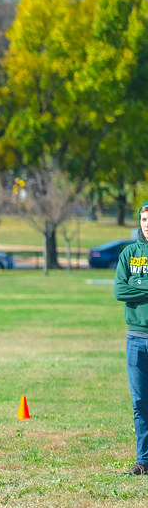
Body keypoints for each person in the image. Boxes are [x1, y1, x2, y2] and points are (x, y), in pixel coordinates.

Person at [115, 201, 148, 475]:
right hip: (135, 338)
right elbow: (119, 291)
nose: (147, 224)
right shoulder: (129, 254)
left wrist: (137, 285)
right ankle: (144, 461)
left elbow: (130, 288)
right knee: (139, 402)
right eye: (144, 219)